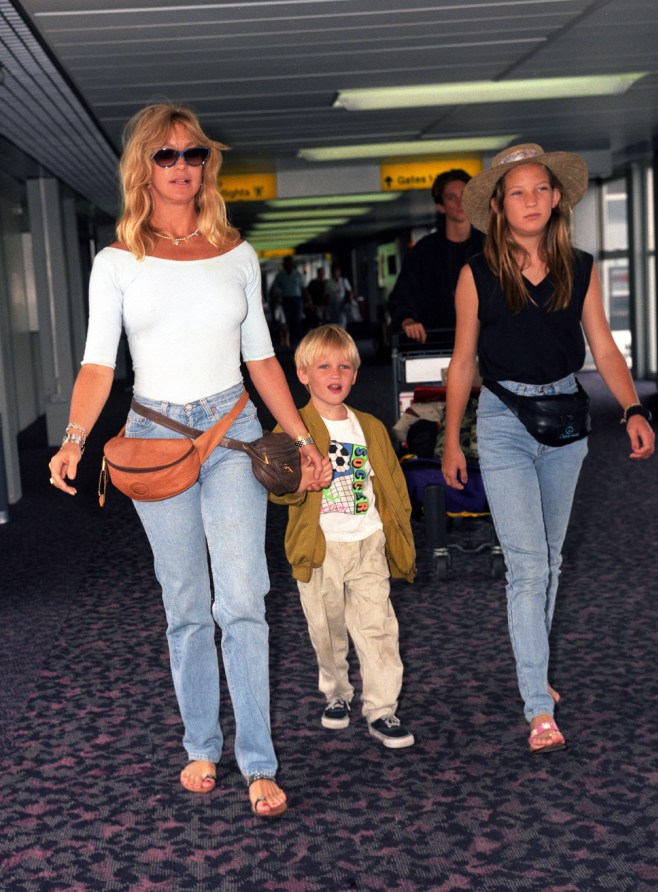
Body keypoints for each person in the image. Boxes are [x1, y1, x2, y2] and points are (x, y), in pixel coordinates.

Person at [47, 102, 328, 816]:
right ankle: (201, 744)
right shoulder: (116, 263)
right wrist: (76, 438)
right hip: (154, 437)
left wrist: (300, 437)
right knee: (185, 607)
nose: (181, 167)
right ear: (144, 167)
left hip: (233, 431)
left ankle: (258, 761)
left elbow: (262, 357)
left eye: (193, 154)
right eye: (166, 155)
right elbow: (96, 365)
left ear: (208, 164)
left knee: (243, 600)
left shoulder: (237, 256)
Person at [441, 144, 655, 754]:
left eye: (540, 190)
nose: (531, 201)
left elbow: (605, 349)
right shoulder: (477, 275)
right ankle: (537, 703)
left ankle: (537, 671)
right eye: (518, 193)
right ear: (500, 208)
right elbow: (462, 364)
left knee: (552, 560)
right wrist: (453, 438)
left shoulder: (579, 267)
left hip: (565, 421)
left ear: (556, 198)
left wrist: (634, 408)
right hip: (505, 420)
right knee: (528, 565)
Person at [270, 325, 417, 749]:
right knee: (326, 630)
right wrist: (300, 485)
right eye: (324, 366)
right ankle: (337, 693)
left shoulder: (369, 428)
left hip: (368, 541)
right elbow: (277, 492)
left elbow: (393, 489)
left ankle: (381, 709)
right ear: (303, 374)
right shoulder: (292, 430)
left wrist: (398, 539)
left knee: (377, 629)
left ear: (354, 375)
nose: (335, 373)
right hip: (321, 550)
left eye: (345, 366)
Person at [389, 169, 485, 343]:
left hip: (484, 345)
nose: (459, 202)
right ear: (441, 206)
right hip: (435, 344)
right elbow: (402, 297)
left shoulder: (490, 248)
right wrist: (408, 320)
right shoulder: (423, 252)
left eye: (464, 195)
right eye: (451, 197)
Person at [270, 255, 309, 346]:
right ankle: (290, 340)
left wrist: (308, 300)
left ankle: (297, 341)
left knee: (297, 321)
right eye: (287, 263)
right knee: (287, 321)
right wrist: (273, 300)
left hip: (297, 300)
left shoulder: (298, 274)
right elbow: (274, 288)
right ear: (284, 264)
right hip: (286, 301)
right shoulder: (280, 275)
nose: (289, 264)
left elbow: (303, 288)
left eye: (290, 262)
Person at [324, 263, 353, 329]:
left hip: (341, 302)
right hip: (332, 303)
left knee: (342, 320)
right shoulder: (329, 282)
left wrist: (349, 300)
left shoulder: (343, 280)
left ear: (339, 272)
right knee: (334, 321)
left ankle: (342, 335)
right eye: (334, 272)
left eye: (337, 271)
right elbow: (326, 295)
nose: (335, 273)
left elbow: (349, 291)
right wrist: (326, 306)